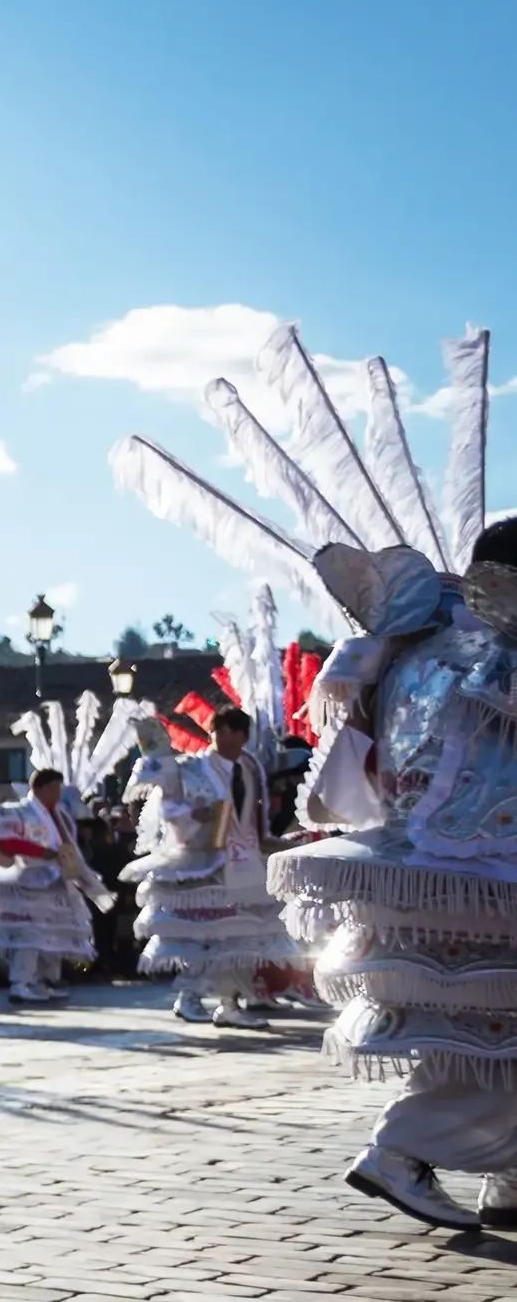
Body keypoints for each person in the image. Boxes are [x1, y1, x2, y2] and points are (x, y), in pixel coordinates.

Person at [280, 515, 517, 1229]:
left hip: (422, 865)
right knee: (498, 1028)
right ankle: (402, 1151)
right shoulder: (497, 651)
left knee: (475, 1032)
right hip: (482, 869)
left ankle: (505, 1176)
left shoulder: (412, 647)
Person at [122, 704, 293, 1025]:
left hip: (243, 859)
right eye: (217, 730)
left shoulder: (249, 765)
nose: (221, 737)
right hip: (203, 860)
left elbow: (253, 814)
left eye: (229, 731)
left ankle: (229, 1004)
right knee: (205, 933)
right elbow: (168, 805)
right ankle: (189, 997)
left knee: (241, 936)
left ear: (242, 735)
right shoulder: (191, 768)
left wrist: (269, 842)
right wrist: (194, 818)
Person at [0, 768, 105, 1005]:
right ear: (40, 788)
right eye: (54, 788)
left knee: (53, 935)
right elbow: (6, 842)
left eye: (59, 788)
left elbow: (67, 848)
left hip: (55, 883)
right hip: (26, 881)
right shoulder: (20, 812)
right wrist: (41, 852)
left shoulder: (59, 816)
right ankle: (21, 982)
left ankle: (45, 980)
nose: (57, 793)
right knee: (30, 935)